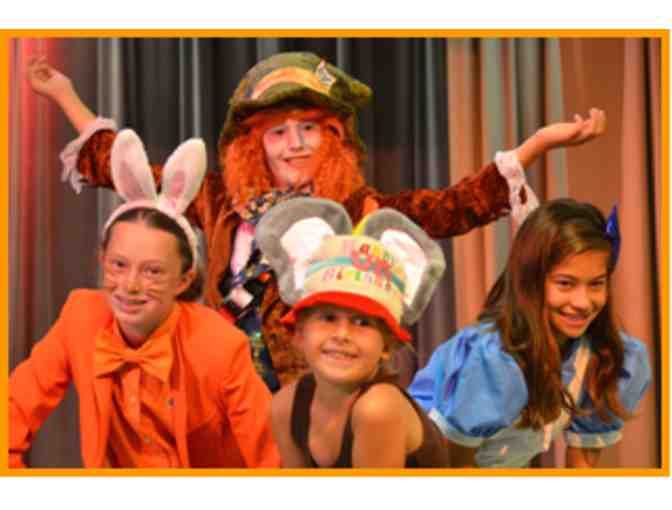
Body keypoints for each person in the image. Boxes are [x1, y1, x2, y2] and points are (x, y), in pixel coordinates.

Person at [26, 51, 607, 390]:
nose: (294, 144)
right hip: (221, 379)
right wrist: (67, 97)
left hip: (323, 390)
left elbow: (456, 206)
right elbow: (123, 167)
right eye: (277, 133)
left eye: (308, 129)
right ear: (256, 144)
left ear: (332, 138)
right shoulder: (221, 198)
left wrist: (536, 145)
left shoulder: (360, 209)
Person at [9, 130, 280, 468]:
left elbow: (272, 462)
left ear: (184, 280)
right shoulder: (80, 316)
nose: (130, 286)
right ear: (102, 260)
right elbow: (13, 409)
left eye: (152, 271)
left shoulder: (221, 346)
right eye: (118, 265)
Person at [408, 198, 652, 468]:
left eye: (596, 284)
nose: (583, 302)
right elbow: (457, 465)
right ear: (530, 282)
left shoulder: (602, 357)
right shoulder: (492, 357)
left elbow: (582, 464)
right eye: (565, 283)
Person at [254, 196, 450, 467]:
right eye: (328, 318)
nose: (342, 334)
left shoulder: (377, 409)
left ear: (387, 346)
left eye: (362, 323)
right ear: (299, 334)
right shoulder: (285, 406)